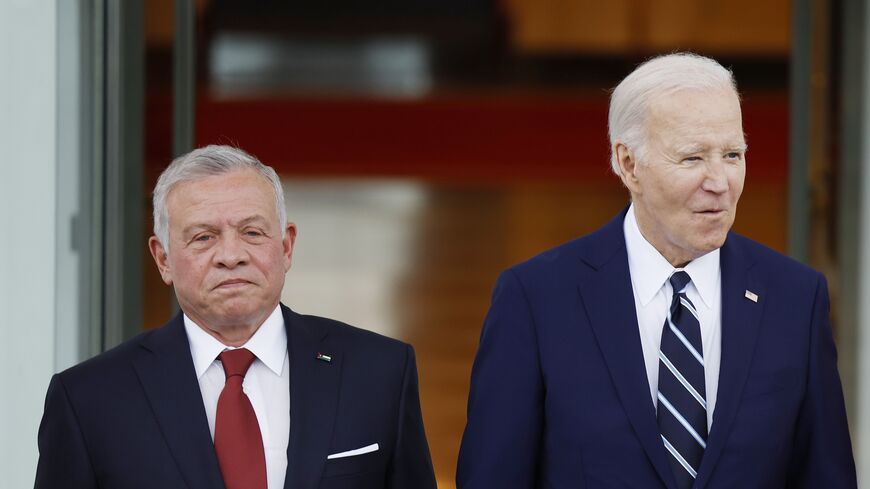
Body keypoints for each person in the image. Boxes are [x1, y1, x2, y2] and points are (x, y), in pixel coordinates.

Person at [456, 53, 857, 489]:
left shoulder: (796, 298)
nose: (720, 182)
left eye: (732, 154)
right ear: (629, 164)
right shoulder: (535, 299)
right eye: (692, 158)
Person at [35, 145, 437, 489]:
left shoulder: (380, 372)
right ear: (163, 259)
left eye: (252, 232)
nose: (231, 256)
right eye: (204, 237)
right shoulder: (88, 400)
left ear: (286, 246)